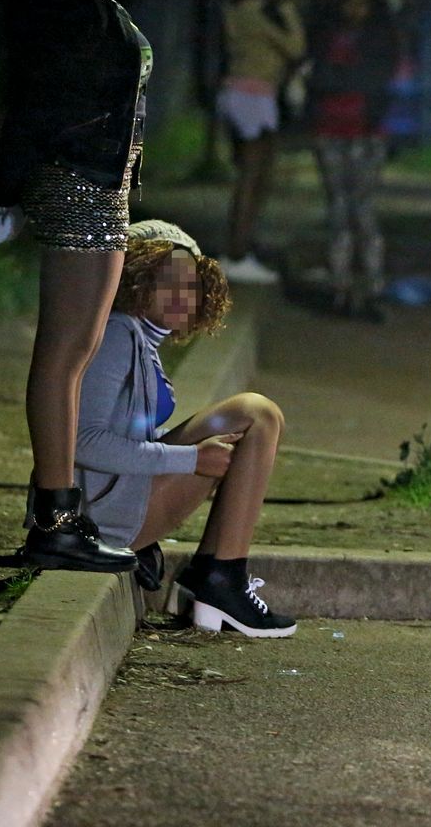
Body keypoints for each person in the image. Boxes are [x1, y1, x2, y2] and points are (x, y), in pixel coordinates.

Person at [0, 0, 152, 573]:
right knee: (64, 353)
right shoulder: (67, 1)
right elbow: (37, 103)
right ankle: (54, 514)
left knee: (74, 353)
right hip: (79, 187)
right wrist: (7, 192)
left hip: (97, 186)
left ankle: (57, 507)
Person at [75, 220, 295, 638]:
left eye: (193, 285)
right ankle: (222, 580)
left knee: (257, 415)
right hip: (102, 519)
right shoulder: (118, 334)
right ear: (135, 279)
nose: (184, 296)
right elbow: (82, 444)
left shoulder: (139, 337)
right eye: (168, 282)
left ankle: (216, 575)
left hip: (113, 502)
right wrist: (192, 458)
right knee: (257, 413)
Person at [305, 0, 400, 320]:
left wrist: (338, 79)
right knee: (338, 209)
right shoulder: (325, 36)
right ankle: (340, 287)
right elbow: (318, 79)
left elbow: (372, 81)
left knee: (362, 209)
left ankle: (372, 287)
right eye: (350, 2)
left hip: (366, 133)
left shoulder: (380, 40)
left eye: (362, 3)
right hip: (330, 131)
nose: (355, 11)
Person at [215, 0, 305, 284]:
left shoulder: (233, 10)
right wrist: (288, 9)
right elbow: (295, 47)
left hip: (243, 93)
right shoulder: (256, 13)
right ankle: (237, 253)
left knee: (254, 175)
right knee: (253, 177)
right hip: (253, 96)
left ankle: (242, 247)